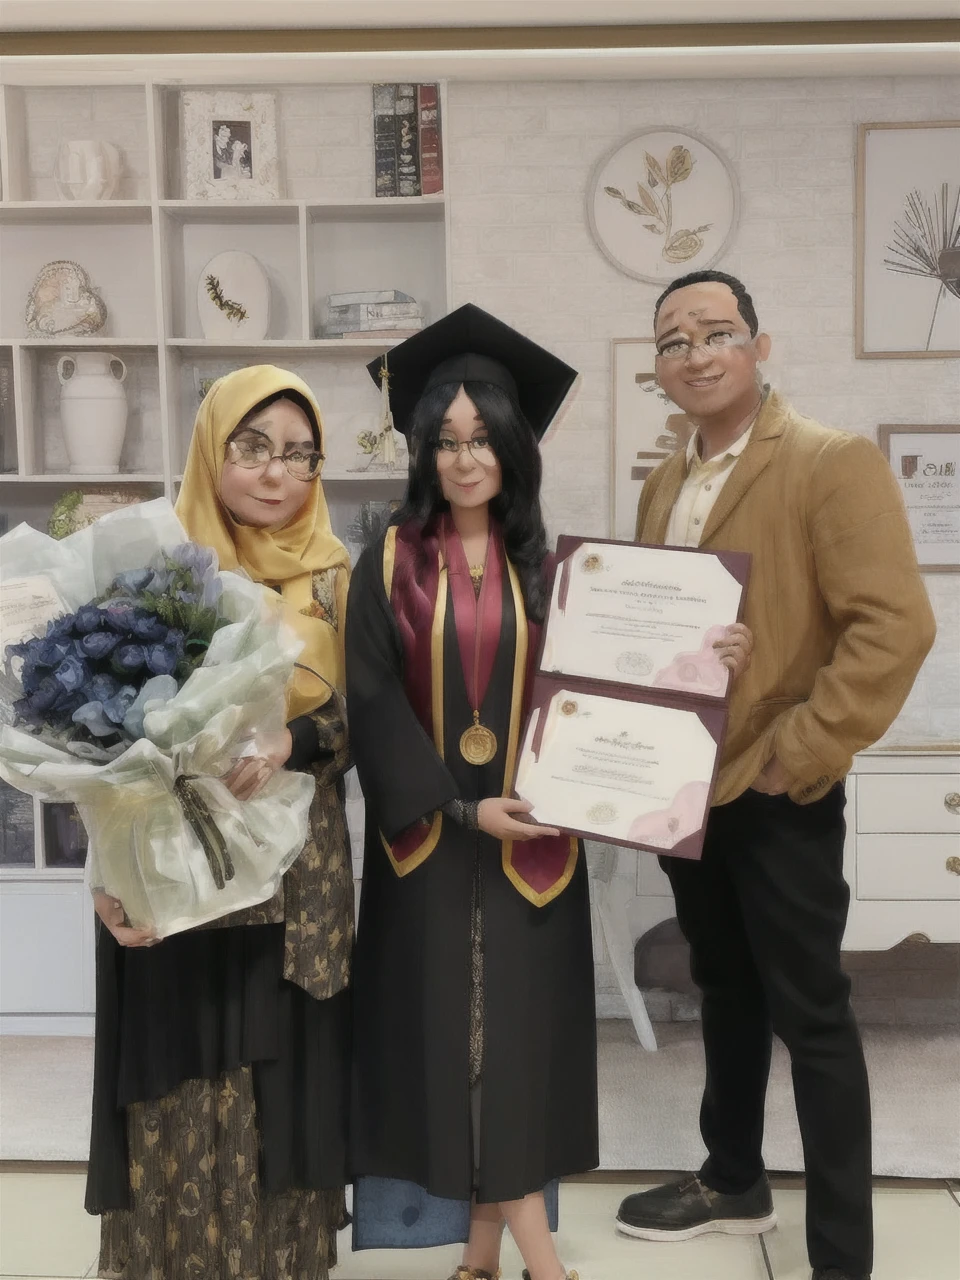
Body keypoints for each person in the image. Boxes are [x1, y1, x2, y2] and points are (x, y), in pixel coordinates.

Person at [619, 271, 936, 1280]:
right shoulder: (664, 482)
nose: (696, 352)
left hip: (775, 788)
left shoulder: (829, 464)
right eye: (674, 340)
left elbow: (895, 628)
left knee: (814, 1011)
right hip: (684, 786)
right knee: (724, 987)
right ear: (657, 370)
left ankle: (843, 1252)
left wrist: (794, 756)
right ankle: (732, 1175)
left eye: (716, 332)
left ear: (762, 345)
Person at [85, 366, 354, 1280]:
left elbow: (375, 719)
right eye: (253, 448)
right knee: (181, 1069)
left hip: (296, 870)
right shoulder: (152, 568)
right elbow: (91, 734)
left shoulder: (335, 579)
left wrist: (298, 736)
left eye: (298, 455)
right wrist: (104, 874)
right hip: (173, 863)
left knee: (278, 1075)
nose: (277, 474)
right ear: (211, 446)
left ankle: (280, 1263)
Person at [346, 304, 597, 1280]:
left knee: (514, 1054)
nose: (463, 459)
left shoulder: (556, 568)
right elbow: (370, 697)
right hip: (431, 843)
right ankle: (543, 1258)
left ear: (515, 445)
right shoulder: (391, 563)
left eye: (483, 437)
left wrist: (700, 657)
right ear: (421, 449)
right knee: (456, 1050)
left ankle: (486, 1249)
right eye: (444, 440)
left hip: (534, 844)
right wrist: (457, 806)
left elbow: (606, 699)